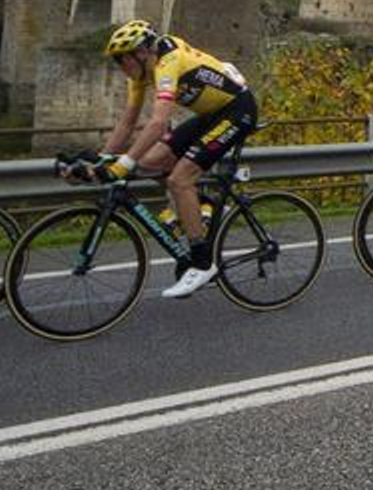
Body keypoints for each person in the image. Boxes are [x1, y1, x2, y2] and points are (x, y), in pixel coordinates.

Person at [93, 19, 258, 298]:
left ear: (142, 53)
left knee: (180, 178)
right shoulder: (141, 74)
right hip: (211, 115)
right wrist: (104, 159)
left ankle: (202, 263)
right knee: (149, 164)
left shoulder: (168, 62)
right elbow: (127, 123)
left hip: (238, 110)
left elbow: (158, 124)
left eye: (122, 61)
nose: (121, 68)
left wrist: (125, 162)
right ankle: (203, 205)